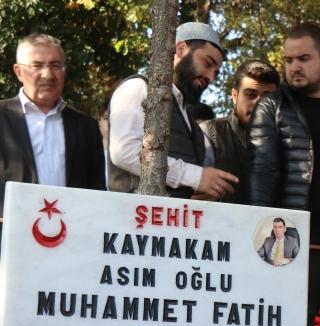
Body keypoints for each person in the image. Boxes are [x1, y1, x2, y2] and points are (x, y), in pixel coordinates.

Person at [248, 23, 320, 297]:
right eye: (288, 60)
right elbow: (262, 171)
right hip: (292, 231)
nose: (294, 67)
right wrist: (261, 232)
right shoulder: (271, 106)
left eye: (303, 58)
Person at [107, 22, 238, 201]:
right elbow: (124, 152)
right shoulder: (139, 88)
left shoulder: (189, 119)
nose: (210, 77)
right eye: (208, 63)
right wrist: (195, 177)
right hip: (132, 216)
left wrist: (200, 191)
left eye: (215, 73)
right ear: (180, 49)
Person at [0, 33, 105, 217]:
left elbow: (96, 191)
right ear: (19, 72)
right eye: (37, 65)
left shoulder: (86, 127)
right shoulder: (3, 118)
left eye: (56, 65)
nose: (48, 75)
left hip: (71, 230)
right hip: (8, 230)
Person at [202, 59, 279, 203]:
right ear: (235, 96)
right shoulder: (211, 133)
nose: (259, 103)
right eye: (250, 95)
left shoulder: (288, 141)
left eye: (267, 97)